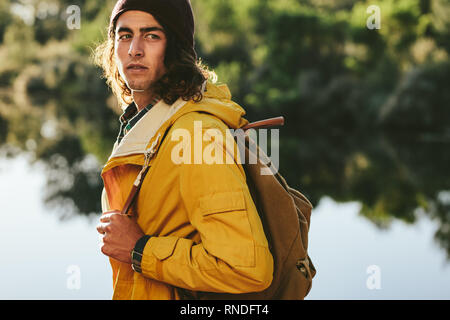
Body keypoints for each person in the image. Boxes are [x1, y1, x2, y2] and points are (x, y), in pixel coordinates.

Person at [94, 0, 273, 300]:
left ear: (175, 48)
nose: (135, 49)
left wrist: (140, 249)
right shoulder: (145, 124)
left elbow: (247, 267)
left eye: (152, 35)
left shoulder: (196, 135)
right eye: (124, 35)